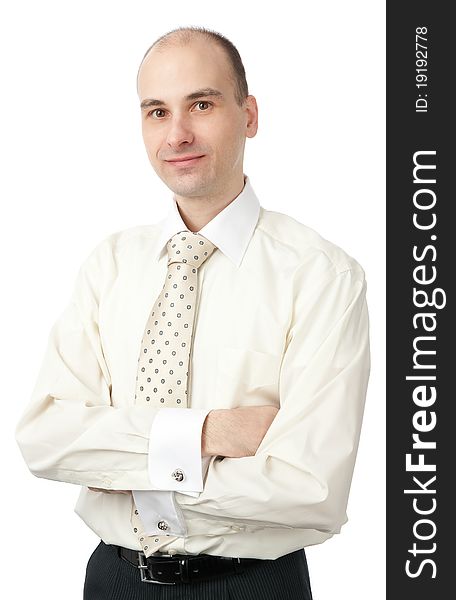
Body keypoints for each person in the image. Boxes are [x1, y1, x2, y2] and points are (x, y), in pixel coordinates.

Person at [15, 25, 370, 599]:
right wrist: (209, 433)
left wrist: (114, 462)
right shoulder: (109, 265)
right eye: (157, 111)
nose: (177, 134)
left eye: (201, 104)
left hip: (250, 585)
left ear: (249, 115)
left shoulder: (321, 275)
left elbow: (309, 487)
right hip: (113, 581)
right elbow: (45, 439)